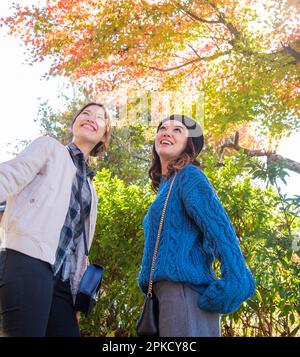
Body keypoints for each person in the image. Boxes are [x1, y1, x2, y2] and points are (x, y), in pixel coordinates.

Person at [138, 114, 255, 337]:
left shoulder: (188, 176)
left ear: (187, 146)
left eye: (177, 131)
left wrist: (235, 283)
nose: (167, 132)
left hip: (183, 296)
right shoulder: (165, 187)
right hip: (162, 298)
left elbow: (221, 231)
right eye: (163, 128)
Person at [0, 102, 111, 337]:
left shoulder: (91, 188)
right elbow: (9, 175)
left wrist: (76, 291)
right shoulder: (50, 148)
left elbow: (79, 246)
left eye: (100, 117)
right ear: (74, 123)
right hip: (26, 260)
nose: (91, 117)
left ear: (103, 135)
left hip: (61, 281)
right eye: (85, 113)